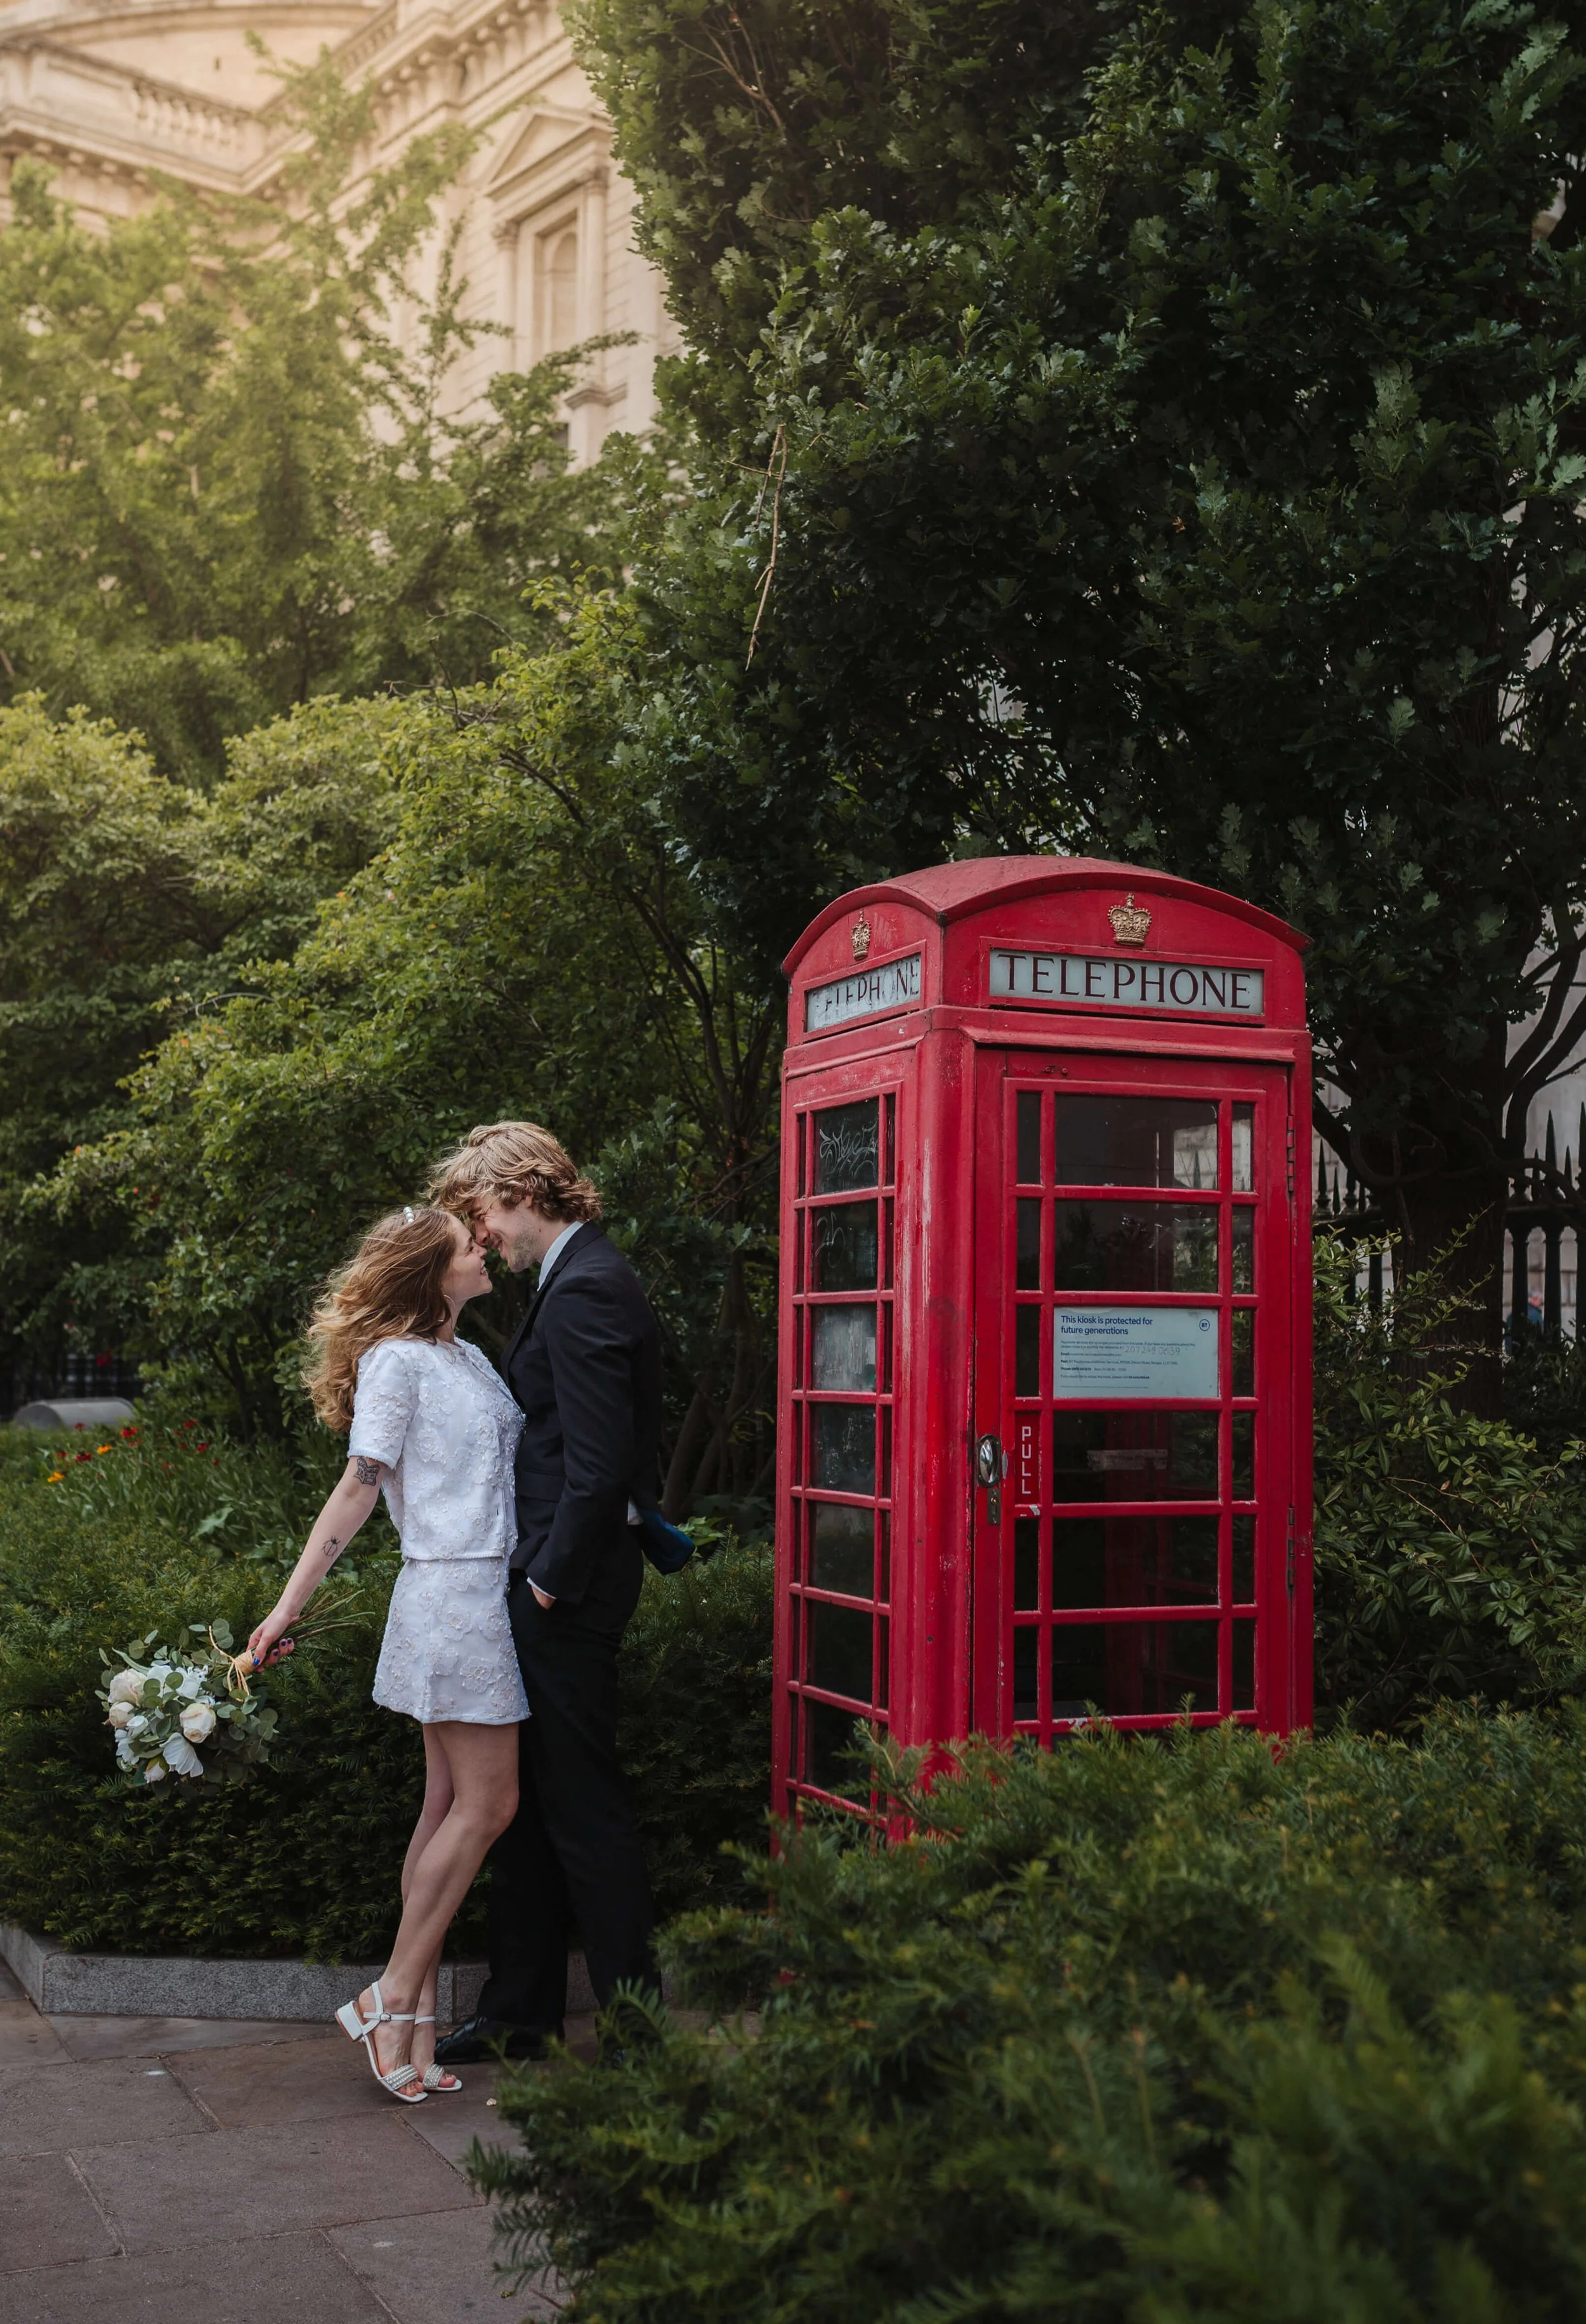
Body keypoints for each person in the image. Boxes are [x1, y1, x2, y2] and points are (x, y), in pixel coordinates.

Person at [247, 1204, 527, 2105]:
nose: (482, 1248)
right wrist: (288, 1605)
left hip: (481, 1592)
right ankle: (392, 1993)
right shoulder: (398, 1364)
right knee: (490, 1804)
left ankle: (408, 2036)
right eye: (465, 1245)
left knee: (446, 1802)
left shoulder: (470, 1358)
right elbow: (356, 1490)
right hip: (452, 1595)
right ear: (431, 1272)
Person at [426, 1120, 662, 2065]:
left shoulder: (588, 1288)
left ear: (522, 1193)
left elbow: (602, 1467)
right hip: (549, 1580)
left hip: (568, 1588)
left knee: (583, 1809)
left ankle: (640, 2030)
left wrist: (548, 1586)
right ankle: (520, 2007)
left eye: (483, 1214)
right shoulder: (576, 1278)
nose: (483, 1236)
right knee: (526, 1804)